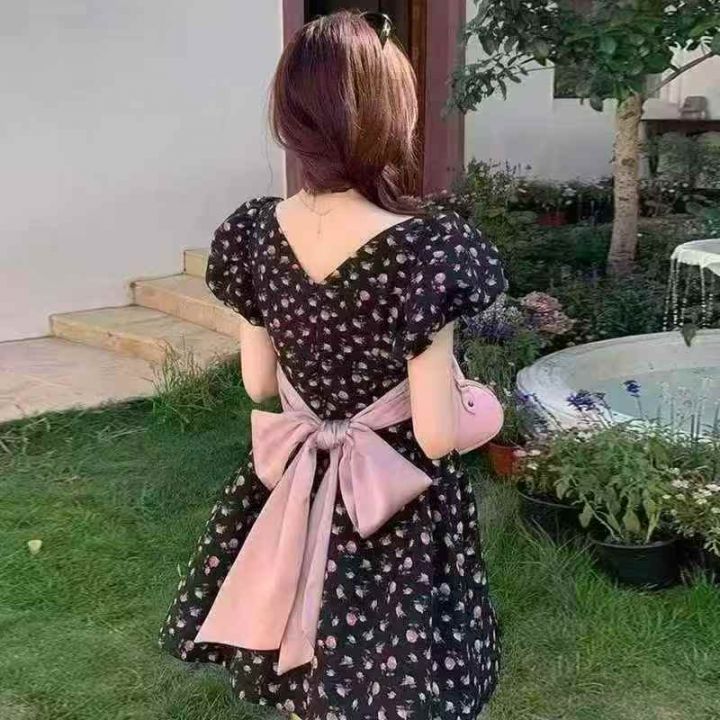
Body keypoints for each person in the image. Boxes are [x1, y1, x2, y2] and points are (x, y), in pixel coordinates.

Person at [159, 10, 506, 720]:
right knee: (391, 655)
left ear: (290, 116)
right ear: (389, 115)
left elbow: (259, 385)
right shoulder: (427, 247)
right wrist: (485, 408)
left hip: (300, 476)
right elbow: (436, 434)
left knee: (309, 632)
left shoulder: (256, 232)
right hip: (397, 496)